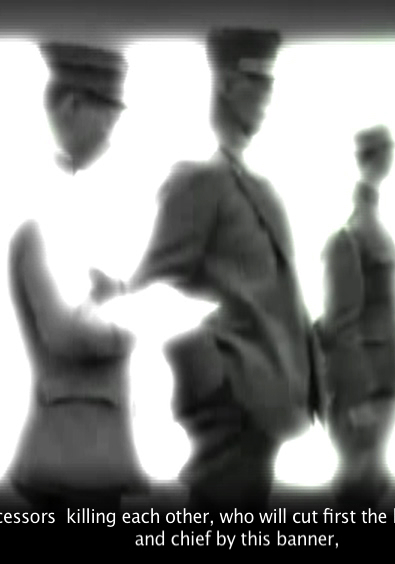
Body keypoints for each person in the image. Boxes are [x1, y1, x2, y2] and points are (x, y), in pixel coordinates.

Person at [125, 27, 327, 511]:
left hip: (267, 407)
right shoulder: (199, 179)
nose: (268, 96)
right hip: (232, 413)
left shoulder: (254, 186)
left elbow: (278, 295)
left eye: (271, 83)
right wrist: (215, 378)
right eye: (258, 82)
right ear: (226, 84)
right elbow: (152, 289)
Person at [6, 41, 150, 514]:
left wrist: (120, 298)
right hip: (73, 447)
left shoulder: (82, 201)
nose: (112, 129)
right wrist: (134, 322)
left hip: (89, 442)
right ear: (71, 105)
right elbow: (66, 335)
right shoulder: (41, 209)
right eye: (106, 112)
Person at [316, 125, 395, 509]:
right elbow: (340, 323)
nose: (390, 158)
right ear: (372, 157)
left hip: (385, 373)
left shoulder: (370, 226)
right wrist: (355, 397)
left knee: (371, 481)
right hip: (366, 380)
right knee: (357, 483)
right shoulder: (350, 238)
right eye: (383, 151)